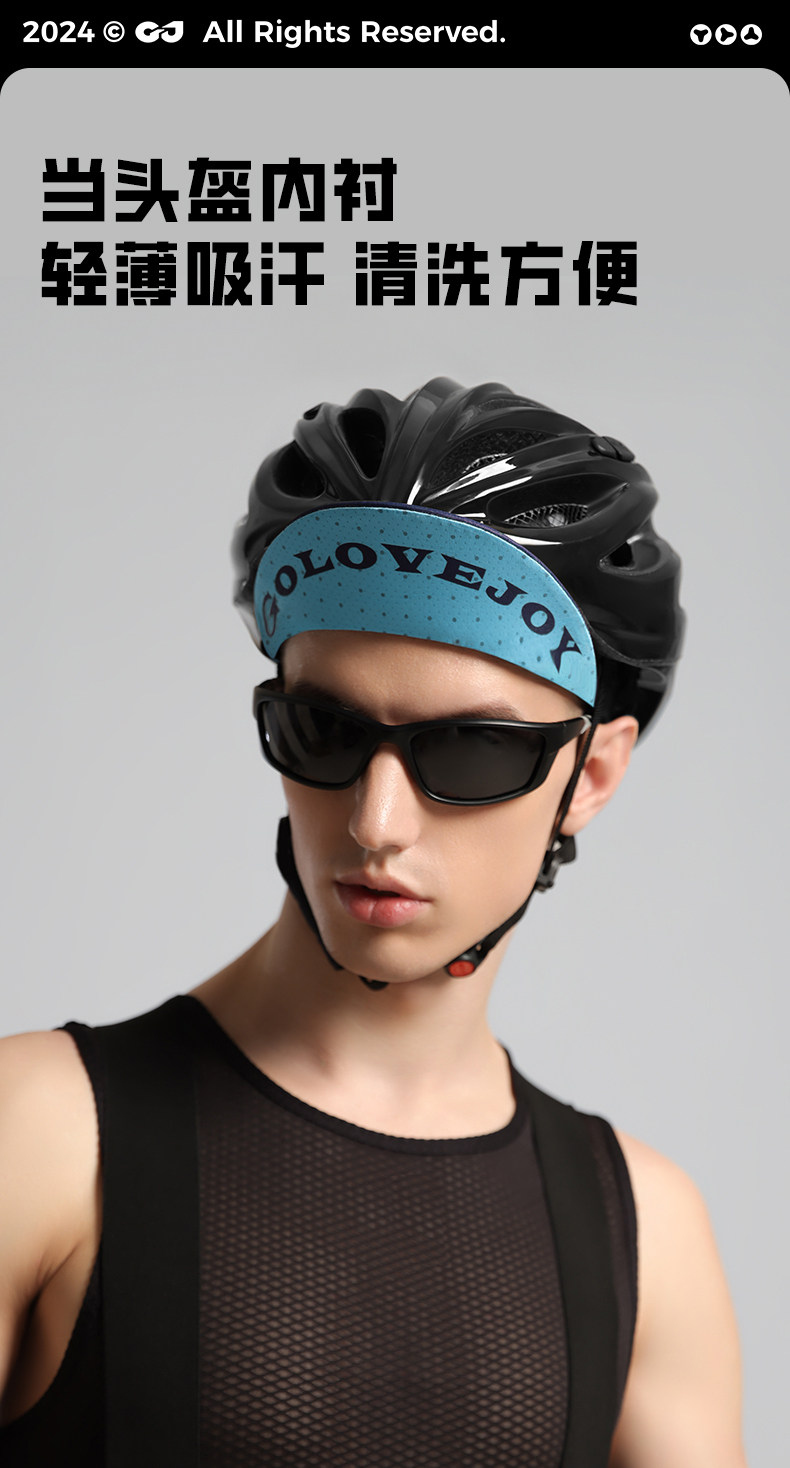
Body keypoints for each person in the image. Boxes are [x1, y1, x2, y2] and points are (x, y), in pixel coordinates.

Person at [0, 377, 748, 1467]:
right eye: (325, 730)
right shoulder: (37, 1135)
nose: (374, 821)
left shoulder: (645, 1231)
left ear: (589, 777)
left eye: (470, 750)